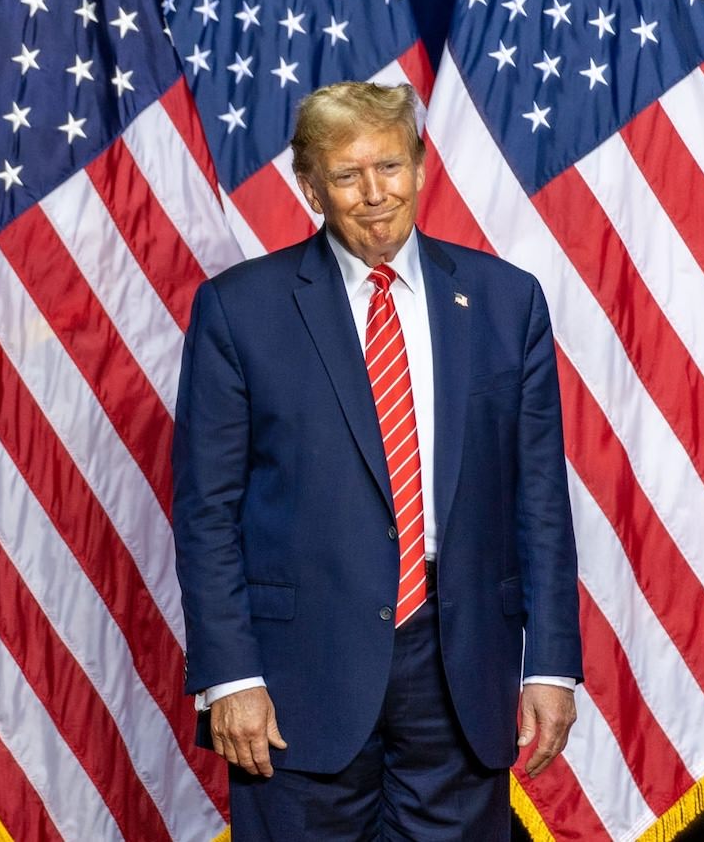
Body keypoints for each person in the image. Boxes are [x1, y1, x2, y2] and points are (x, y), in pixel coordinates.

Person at [172, 81, 582, 839]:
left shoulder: (505, 301)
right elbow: (205, 512)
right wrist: (231, 676)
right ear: (310, 187)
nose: (373, 194)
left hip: (459, 669)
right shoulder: (239, 309)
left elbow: (540, 503)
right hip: (298, 679)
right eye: (347, 175)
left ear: (421, 167)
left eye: (390, 167)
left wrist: (550, 666)